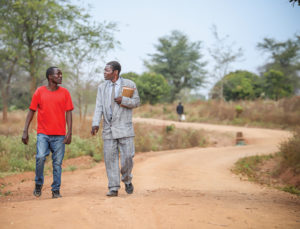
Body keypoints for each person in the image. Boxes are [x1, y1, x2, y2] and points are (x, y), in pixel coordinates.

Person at [22, 67, 73, 198]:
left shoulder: (65, 93)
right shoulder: (39, 92)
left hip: (60, 135)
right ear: (50, 77)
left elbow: (69, 112)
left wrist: (69, 132)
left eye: (61, 74)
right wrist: (25, 130)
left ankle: (55, 190)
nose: (61, 76)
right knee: (40, 157)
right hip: (43, 134)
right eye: (58, 74)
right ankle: (38, 184)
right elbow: (31, 110)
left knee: (57, 163)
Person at [91, 61, 140, 197]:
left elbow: (136, 102)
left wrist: (124, 100)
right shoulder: (102, 87)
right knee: (110, 158)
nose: (104, 73)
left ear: (115, 72)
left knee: (128, 158)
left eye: (107, 71)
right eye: (104, 70)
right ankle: (113, 187)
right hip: (108, 128)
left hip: (125, 127)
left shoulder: (129, 84)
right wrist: (95, 123)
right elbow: (99, 106)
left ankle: (127, 179)